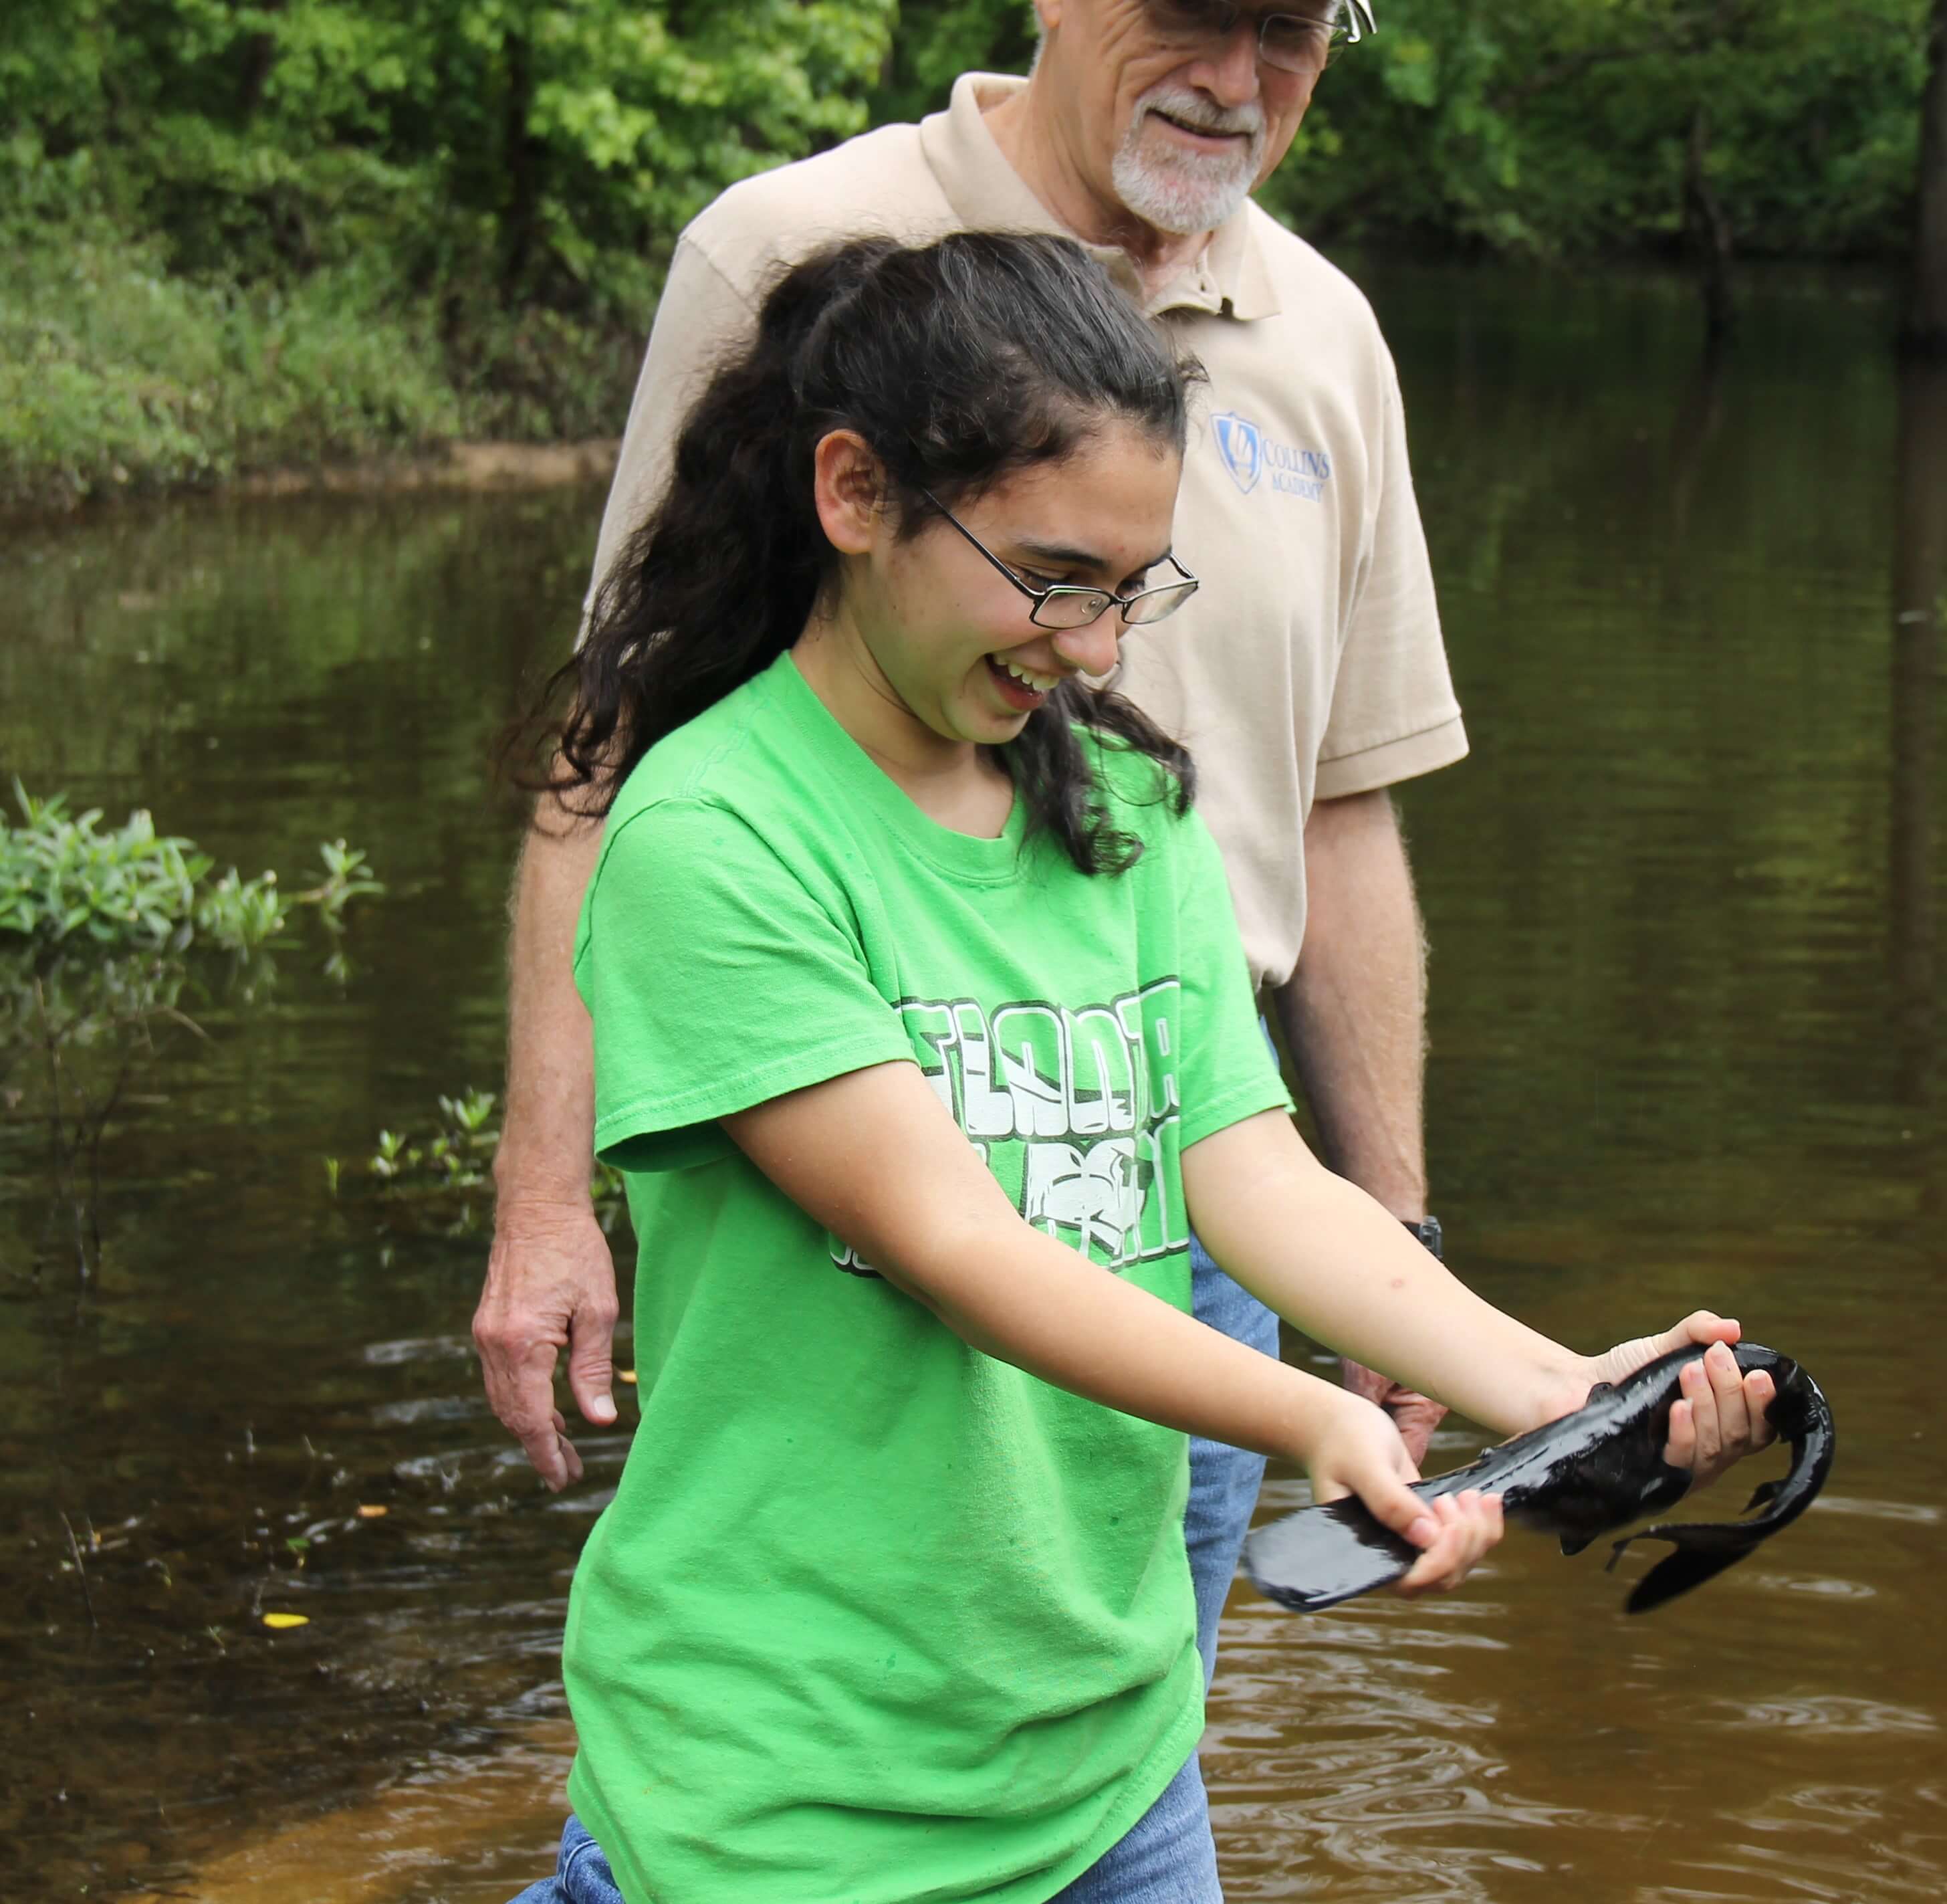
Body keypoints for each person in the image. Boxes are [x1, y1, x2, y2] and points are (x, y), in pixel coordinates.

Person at [503, 230, 1774, 1904]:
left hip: (1108, 1770)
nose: (1095, 648)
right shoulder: (716, 835)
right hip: (788, 1794)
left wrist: (1547, 1391)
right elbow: (954, 1246)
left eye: (1131, 585)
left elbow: (1245, 1166)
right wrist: (1315, 1414)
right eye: (1051, 576)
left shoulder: (1122, 807)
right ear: (853, 492)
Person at [479, 0, 1463, 1700]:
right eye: (1190, 18)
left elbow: (1339, 803)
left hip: (1198, 1180)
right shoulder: (788, 250)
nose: (1238, 80)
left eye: (1290, 34)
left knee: (1110, 1712)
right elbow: (614, 741)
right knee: (820, 1693)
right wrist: (546, 1195)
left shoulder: (1332, 341)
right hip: (835, 1160)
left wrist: (1396, 1251)